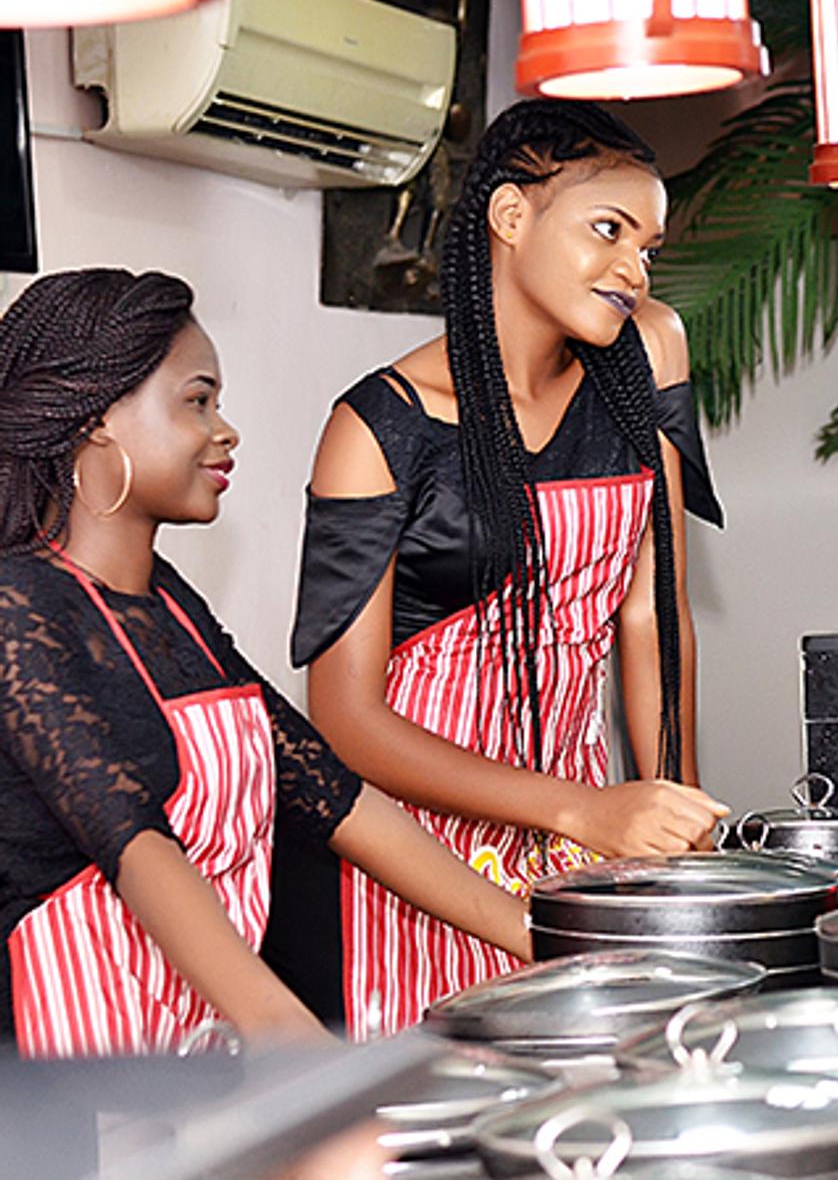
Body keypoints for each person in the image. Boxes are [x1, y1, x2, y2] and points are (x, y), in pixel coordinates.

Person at [272, 100, 729, 1039]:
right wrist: (585, 808)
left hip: (587, 830)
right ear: (511, 217)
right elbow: (346, 720)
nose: (632, 270)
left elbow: (651, 615)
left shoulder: (648, 353)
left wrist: (674, 819)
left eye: (649, 247)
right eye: (607, 230)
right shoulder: (377, 427)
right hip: (412, 857)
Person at [0, 268, 530, 1056]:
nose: (226, 429)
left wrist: (534, 931)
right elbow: (134, 843)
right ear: (99, 418)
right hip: (79, 1084)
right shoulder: (18, 604)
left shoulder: (171, 602)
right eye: (197, 400)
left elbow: (332, 794)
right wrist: (287, 1036)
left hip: (194, 1055)